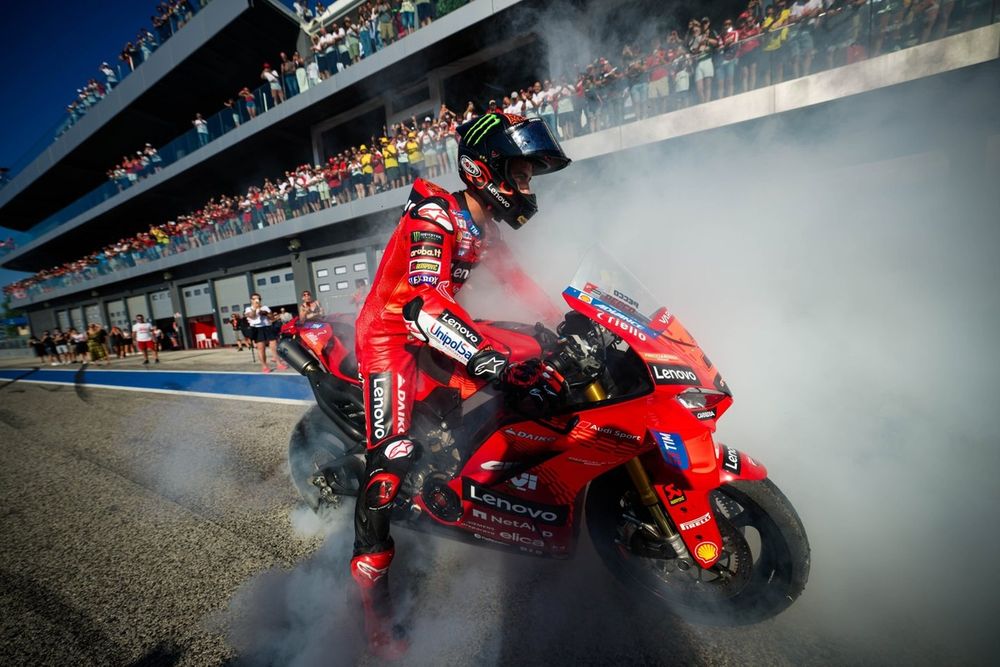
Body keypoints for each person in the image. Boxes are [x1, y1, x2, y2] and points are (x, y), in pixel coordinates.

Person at [350, 112, 571, 657]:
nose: (526, 186)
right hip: (391, 338)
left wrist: (568, 323)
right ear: (484, 169)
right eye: (520, 174)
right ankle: (375, 611)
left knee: (536, 359)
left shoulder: (485, 227)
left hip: (436, 333)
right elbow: (424, 300)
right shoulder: (434, 215)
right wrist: (483, 355)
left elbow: (517, 282)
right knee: (393, 461)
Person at [245, 292, 287, 373]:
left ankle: (279, 363)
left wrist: (266, 313)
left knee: (274, 346)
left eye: (259, 299)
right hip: (257, 328)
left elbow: (271, 318)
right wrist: (255, 308)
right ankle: (264, 366)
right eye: (255, 299)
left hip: (267, 327)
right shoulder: (248, 308)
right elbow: (252, 316)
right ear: (251, 300)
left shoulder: (265, 307)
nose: (257, 300)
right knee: (261, 348)